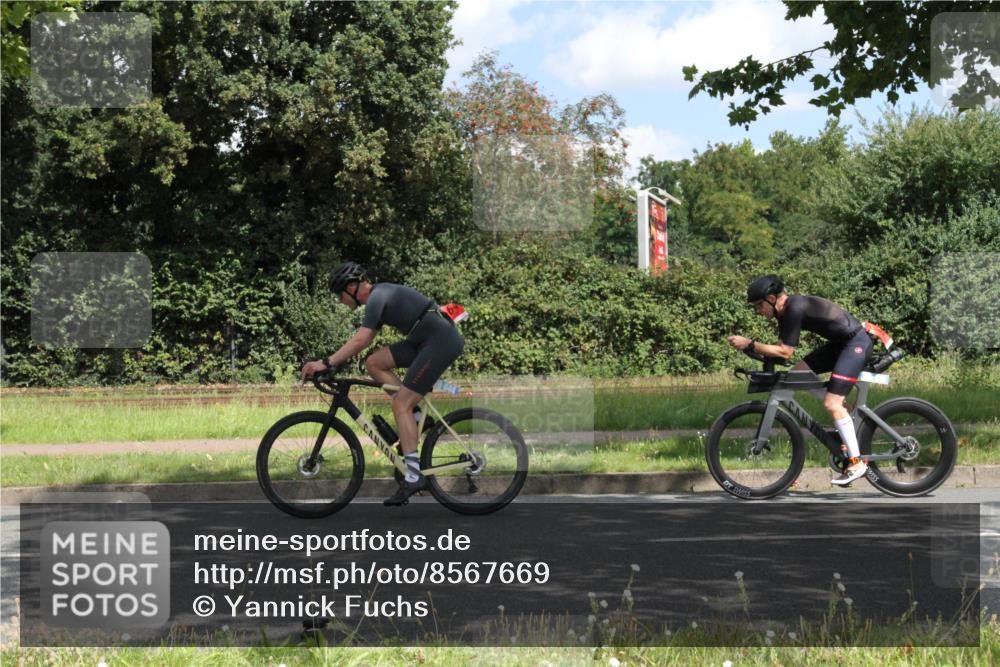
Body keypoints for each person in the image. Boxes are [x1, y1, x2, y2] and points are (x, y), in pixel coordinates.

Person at [300, 262, 465, 505]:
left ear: (352, 288)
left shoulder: (378, 296)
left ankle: (413, 476)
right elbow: (363, 343)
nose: (339, 301)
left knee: (400, 404)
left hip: (439, 342)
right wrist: (332, 362)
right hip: (424, 340)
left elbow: (361, 339)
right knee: (374, 363)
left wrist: (326, 362)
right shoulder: (378, 297)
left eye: (339, 294)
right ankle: (416, 416)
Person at [727, 275, 873, 485]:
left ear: (771, 298)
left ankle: (856, 463)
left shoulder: (794, 308)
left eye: (759, 305)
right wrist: (755, 350)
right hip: (840, 344)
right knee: (798, 374)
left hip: (855, 344)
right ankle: (847, 418)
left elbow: (785, 352)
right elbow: (780, 351)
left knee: (831, 403)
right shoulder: (784, 313)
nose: (758, 311)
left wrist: (750, 344)